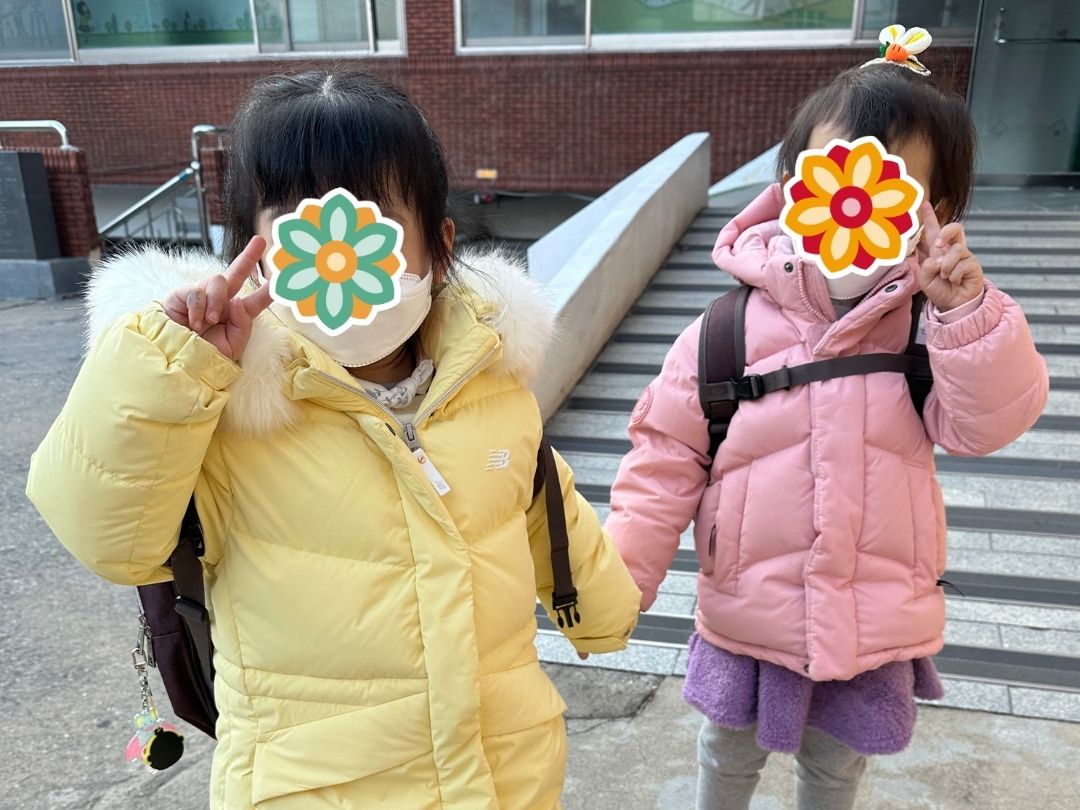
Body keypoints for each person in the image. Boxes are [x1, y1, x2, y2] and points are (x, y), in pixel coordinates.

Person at [27, 70, 640, 809]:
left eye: (362, 224)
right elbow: (106, 535)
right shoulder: (214, 403)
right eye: (299, 230)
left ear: (440, 246)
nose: (334, 255)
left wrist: (606, 612)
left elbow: (543, 502)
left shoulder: (488, 382)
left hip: (506, 769)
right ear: (248, 254)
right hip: (313, 788)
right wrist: (171, 368)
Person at [605, 36, 1049, 810]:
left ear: (934, 211)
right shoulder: (723, 332)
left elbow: (986, 424)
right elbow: (663, 461)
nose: (857, 201)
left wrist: (969, 317)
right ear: (790, 186)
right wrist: (623, 580)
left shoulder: (928, 328)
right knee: (726, 756)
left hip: (870, 618)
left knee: (835, 768)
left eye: (890, 186)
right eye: (838, 174)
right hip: (749, 609)